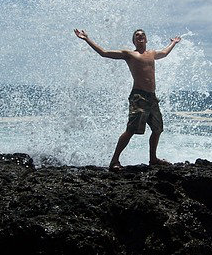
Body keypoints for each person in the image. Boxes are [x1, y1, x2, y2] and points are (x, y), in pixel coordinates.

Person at [74, 28, 181, 169]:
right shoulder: (129, 54)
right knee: (131, 130)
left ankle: (153, 159)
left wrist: (173, 43)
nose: (140, 36)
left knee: (157, 129)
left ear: (146, 39)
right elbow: (104, 53)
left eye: (143, 35)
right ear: (134, 41)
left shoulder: (152, 54)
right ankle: (114, 161)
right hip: (139, 96)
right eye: (137, 35)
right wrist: (87, 39)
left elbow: (165, 53)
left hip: (152, 97)